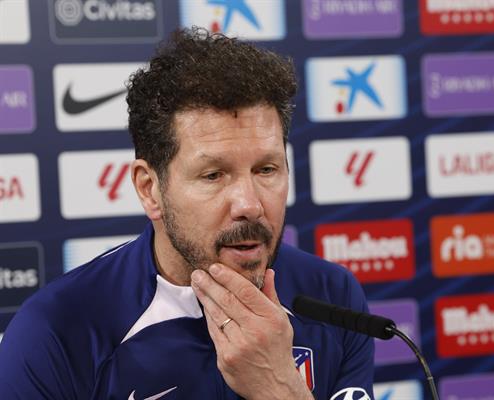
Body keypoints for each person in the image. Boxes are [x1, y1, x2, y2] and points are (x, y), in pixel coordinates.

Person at [0, 27, 374, 399]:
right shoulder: (55, 332)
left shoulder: (333, 297)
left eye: (266, 169)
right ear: (150, 189)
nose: (249, 204)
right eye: (213, 175)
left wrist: (280, 390)